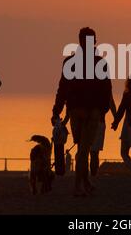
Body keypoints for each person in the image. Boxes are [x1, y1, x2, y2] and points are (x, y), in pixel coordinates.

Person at [52, 27, 112, 196]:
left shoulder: (69, 62)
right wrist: (103, 111)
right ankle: (78, 185)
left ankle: (85, 182)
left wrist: (57, 110)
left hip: (75, 110)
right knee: (84, 150)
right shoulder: (100, 63)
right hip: (92, 111)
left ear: (79, 41)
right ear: (94, 41)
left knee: (82, 148)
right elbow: (106, 90)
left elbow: (62, 88)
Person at [90, 97, 116, 177]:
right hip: (100, 122)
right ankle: (94, 173)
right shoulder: (105, 86)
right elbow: (111, 103)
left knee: (90, 151)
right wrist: (116, 119)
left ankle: (91, 173)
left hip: (89, 122)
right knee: (95, 152)